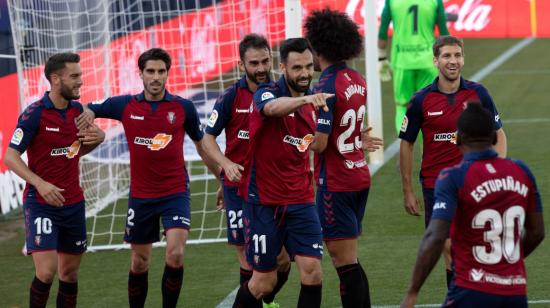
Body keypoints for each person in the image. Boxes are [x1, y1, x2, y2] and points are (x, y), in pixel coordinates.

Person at [76, 48, 218, 308]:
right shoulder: (125, 105)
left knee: (175, 254)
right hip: (141, 196)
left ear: (167, 74)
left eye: (161, 71)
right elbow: (88, 107)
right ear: (140, 73)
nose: (156, 77)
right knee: (139, 262)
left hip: (175, 192)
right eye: (150, 71)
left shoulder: (182, 108)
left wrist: (221, 180)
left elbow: (202, 146)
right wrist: (89, 119)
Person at [400, 103, 545, 308]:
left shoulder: (453, 177)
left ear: (458, 139)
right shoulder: (522, 171)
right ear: (494, 138)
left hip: (471, 291)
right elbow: (537, 232)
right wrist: (505, 261)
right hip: (515, 293)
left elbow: (436, 236)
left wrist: (412, 291)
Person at [399, 35, 507, 287]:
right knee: (447, 246)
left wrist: (497, 170)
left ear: (463, 59)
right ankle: (459, 296)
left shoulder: (479, 93)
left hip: (473, 182)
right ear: (435, 61)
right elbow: (407, 143)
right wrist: (407, 190)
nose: (453, 61)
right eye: (447, 56)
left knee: (471, 246)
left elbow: (499, 134)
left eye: (457, 55)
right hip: (435, 185)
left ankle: (468, 294)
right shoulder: (420, 100)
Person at [232, 38, 332, 308]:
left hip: (301, 200)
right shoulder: (267, 92)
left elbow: (319, 145)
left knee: (312, 272)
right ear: (283, 67)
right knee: (263, 283)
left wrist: (356, 140)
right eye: (297, 67)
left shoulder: (318, 102)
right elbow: (272, 109)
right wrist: (305, 100)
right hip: (264, 202)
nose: (304, 73)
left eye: (309, 66)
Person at [4, 52, 105, 308]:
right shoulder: (34, 114)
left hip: (73, 202)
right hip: (41, 203)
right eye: (74, 76)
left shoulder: (80, 112)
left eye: (80, 75)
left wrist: (99, 139)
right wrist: (40, 183)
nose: (80, 81)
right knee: (46, 272)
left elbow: (73, 151)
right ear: (55, 79)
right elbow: (11, 157)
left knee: (69, 274)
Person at [203, 33, 290, 308]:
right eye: (254, 63)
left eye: (265, 60)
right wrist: (225, 166)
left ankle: (265, 299)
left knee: (283, 259)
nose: (262, 68)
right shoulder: (230, 96)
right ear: (242, 65)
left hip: (272, 186)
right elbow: (207, 138)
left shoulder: (281, 92)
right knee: (248, 256)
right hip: (238, 188)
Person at [304, 8, 383, 308]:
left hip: (335, 182)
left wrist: (294, 136)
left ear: (318, 47)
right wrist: (356, 139)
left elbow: (321, 143)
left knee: (344, 263)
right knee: (349, 259)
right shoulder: (357, 78)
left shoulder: (324, 86)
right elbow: (347, 128)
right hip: (358, 174)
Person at [378, 0, 450, 135]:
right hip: (428, 62)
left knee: (402, 106)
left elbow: (382, 32)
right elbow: (444, 34)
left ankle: (404, 149)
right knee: (428, 108)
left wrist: (381, 57)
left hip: (402, 61)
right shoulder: (435, 2)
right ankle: (427, 154)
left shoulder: (392, 2)